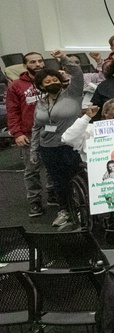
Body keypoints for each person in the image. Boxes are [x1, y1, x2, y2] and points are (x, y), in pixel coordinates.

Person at [32, 54, 84, 229]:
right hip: (48, 148)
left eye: (55, 80)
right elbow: (36, 127)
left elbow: (77, 73)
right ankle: (65, 211)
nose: (52, 83)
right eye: (47, 82)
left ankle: (81, 209)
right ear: (41, 86)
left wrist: (63, 59)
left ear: (61, 81)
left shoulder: (72, 94)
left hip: (71, 146)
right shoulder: (41, 103)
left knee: (77, 178)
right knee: (58, 181)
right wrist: (33, 150)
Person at [7, 52, 49, 217]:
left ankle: (54, 194)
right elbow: (12, 111)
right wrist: (17, 133)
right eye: (33, 62)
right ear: (25, 66)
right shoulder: (16, 85)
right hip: (29, 134)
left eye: (40, 61)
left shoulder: (51, 79)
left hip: (52, 132)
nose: (37, 64)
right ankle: (35, 201)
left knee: (54, 167)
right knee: (32, 170)